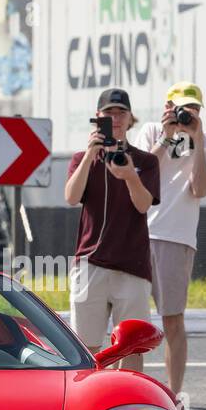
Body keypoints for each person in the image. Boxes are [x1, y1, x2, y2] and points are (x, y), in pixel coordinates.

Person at [138, 82, 206, 399]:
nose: (187, 115)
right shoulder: (151, 132)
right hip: (137, 233)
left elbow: (199, 188)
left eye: (194, 110)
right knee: (127, 321)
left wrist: (197, 139)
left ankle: (174, 397)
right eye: (181, 108)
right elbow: (139, 172)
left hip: (176, 238)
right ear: (167, 107)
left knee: (172, 320)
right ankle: (125, 391)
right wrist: (167, 136)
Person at [64, 87, 160, 372]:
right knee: (86, 347)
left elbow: (143, 205)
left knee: (132, 348)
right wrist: (92, 152)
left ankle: (128, 408)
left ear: (131, 119)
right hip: (90, 264)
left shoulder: (145, 161)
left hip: (132, 266)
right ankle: (90, 406)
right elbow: (71, 197)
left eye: (121, 113)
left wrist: (129, 175)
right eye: (108, 113)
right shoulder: (82, 158)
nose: (115, 119)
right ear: (97, 118)